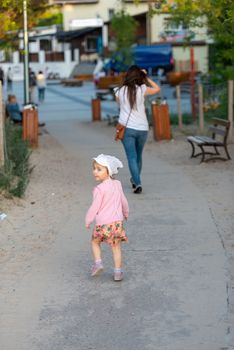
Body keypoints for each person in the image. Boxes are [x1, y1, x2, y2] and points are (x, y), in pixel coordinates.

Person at [114, 65, 160, 194]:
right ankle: (135, 180)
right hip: (142, 128)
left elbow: (119, 104)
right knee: (138, 156)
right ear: (139, 76)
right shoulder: (142, 89)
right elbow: (157, 89)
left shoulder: (119, 91)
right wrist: (146, 77)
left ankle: (137, 182)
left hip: (127, 128)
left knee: (131, 157)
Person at [85, 154, 129, 282]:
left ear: (108, 171)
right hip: (116, 224)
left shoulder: (99, 189)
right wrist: (126, 212)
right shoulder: (117, 184)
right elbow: (123, 200)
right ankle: (118, 273)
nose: (95, 171)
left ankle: (98, 263)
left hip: (103, 224)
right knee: (116, 247)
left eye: (99, 169)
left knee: (95, 242)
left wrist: (88, 219)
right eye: (94, 168)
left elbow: (95, 207)